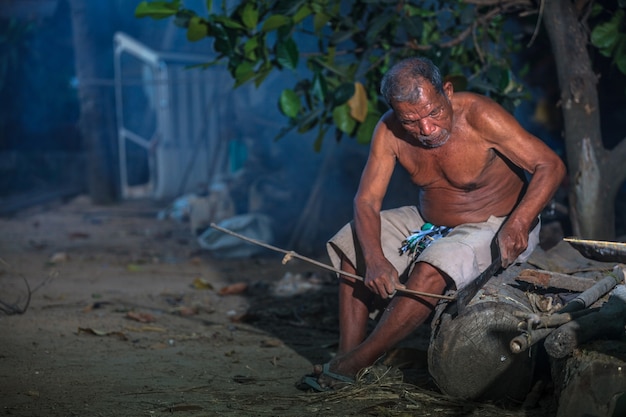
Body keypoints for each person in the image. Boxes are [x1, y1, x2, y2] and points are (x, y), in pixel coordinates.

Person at [298, 57, 566, 391]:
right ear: (396, 113)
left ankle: (356, 363)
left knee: (432, 266)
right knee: (355, 244)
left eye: (434, 113)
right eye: (411, 121)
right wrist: (376, 260)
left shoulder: (480, 116)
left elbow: (550, 165)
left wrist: (520, 222)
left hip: (496, 223)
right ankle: (344, 356)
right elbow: (366, 201)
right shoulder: (388, 130)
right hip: (429, 221)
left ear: (447, 92)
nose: (426, 129)